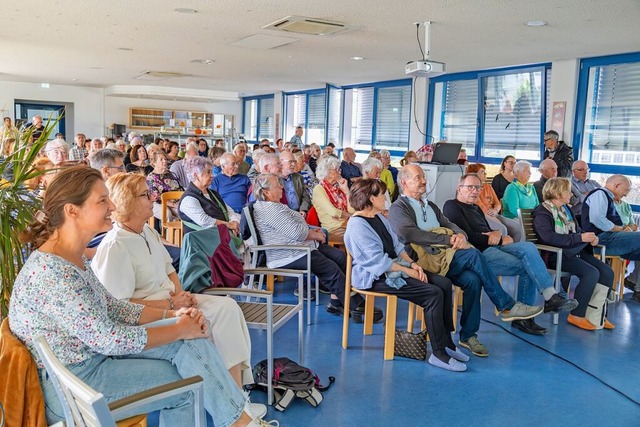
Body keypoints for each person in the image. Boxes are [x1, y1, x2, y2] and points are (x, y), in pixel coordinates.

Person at [8, 166, 273, 427]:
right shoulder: (55, 272)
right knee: (188, 384)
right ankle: (240, 420)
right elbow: (108, 339)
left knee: (192, 349)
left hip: (90, 363)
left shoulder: (69, 258)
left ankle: (240, 420)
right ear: (72, 211)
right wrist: (177, 328)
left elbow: (113, 308)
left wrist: (173, 317)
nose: (111, 207)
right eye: (102, 200)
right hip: (76, 383)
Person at [92, 173, 261, 413]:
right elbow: (120, 306)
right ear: (126, 202)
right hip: (147, 315)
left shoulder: (146, 232)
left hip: (172, 302)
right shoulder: (116, 245)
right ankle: (228, 403)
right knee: (206, 323)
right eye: (145, 194)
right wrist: (172, 305)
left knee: (228, 308)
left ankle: (236, 393)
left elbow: (170, 270)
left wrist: (184, 296)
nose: (153, 198)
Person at [388, 165, 542, 356]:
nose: (424, 181)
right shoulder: (399, 207)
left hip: (447, 258)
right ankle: (506, 305)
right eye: (418, 177)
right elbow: (408, 233)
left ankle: (468, 336)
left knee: (473, 280)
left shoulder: (429, 205)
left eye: (423, 177)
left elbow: (450, 224)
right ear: (404, 182)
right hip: (424, 261)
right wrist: (448, 239)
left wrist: (460, 235)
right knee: (473, 254)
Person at [345, 179, 468, 371]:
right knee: (432, 294)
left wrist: (413, 264)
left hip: (395, 269)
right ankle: (438, 354)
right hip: (375, 277)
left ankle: (447, 343)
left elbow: (397, 246)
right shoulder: (357, 225)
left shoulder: (378, 218)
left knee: (443, 283)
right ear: (370, 198)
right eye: (381, 195)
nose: (386, 198)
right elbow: (379, 262)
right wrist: (409, 270)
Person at [443, 173, 577, 335]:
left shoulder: (476, 207)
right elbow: (468, 236)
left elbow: (487, 230)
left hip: (494, 246)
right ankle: (524, 320)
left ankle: (550, 297)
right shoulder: (451, 206)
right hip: (479, 254)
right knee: (529, 267)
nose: (474, 191)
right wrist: (496, 238)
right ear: (459, 188)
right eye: (470, 187)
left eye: (478, 187)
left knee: (528, 247)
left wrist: (499, 234)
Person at [253, 173, 382, 321]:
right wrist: (313, 234)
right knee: (330, 269)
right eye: (277, 185)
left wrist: (312, 231)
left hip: (300, 246)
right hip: (288, 253)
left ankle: (336, 303)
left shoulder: (274, 205)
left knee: (340, 258)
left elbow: (295, 228)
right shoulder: (270, 209)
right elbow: (296, 233)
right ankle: (357, 306)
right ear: (266, 192)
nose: (282, 186)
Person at [533, 177, 615, 330]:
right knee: (591, 273)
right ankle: (577, 314)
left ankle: (597, 316)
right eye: (567, 191)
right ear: (557, 193)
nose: (571, 194)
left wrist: (589, 237)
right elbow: (548, 237)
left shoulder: (566, 209)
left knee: (607, 272)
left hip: (574, 251)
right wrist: (579, 237)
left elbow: (576, 231)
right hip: (556, 255)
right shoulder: (542, 211)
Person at [582, 174, 640, 302]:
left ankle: (635, 285)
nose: (625, 195)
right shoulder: (600, 194)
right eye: (626, 190)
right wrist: (619, 229)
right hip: (600, 239)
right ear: (616, 185)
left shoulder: (606, 197)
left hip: (609, 238)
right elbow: (597, 219)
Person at [178, 156, 241, 236]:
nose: (212, 175)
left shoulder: (212, 193)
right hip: (205, 241)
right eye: (208, 172)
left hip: (222, 236)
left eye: (211, 172)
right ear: (196, 175)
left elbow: (229, 211)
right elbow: (205, 221)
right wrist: (229, 225)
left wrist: (234, 223)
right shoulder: (188, 199)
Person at [465, 163, 522, 241]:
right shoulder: (472, 189)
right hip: (483, 216)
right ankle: (504, 250)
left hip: (494, 213)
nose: (485, 174)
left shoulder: (488, 186)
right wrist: (495, 218)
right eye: (482, 172)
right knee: (502, 229)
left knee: (518, 228)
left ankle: (515, 248)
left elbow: (497, 203)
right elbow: (480, 207)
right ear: (474, 175)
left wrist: (495, 210)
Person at [312, 156, 354, 243]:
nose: (340, 172)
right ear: (328, 173)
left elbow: (352, 210)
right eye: (337, 170)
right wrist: (352, 216)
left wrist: (347, 192)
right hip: (333, 229)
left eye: (339, 169)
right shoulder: (319, 189)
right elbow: (333, 212)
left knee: (368, 234)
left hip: (348, 225)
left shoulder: (339, 186)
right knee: (360, 237)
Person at [146, 150, 183, 222]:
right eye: (161, 159)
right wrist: (173, 204)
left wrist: (179, 203)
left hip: (174, 202)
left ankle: (181, 232)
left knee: (184, 212)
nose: (165, 161)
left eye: (165, 159)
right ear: (154, 162)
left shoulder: (170, 174)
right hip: (157, 203)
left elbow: (180, 189)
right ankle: (167, 233)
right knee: (167, 214)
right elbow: (156, 197)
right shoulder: (151, 177)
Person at [280, 150, 312, 216]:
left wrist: (303, 210)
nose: (294, 164)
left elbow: (305, 196)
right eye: (290, 162)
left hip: (299, 213)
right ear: (281, 162)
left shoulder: (298, 177)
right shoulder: (275, 179)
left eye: (294, 161)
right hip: (284, 215)